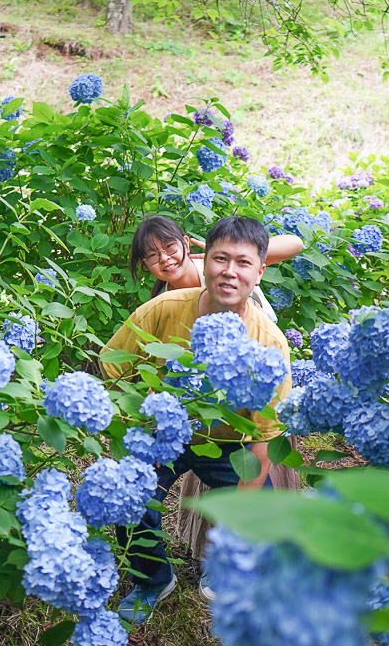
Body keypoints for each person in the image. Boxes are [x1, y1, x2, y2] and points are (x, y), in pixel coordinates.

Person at [101, 215, 294, 625]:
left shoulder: (269, 345)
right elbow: (113, 364)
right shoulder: (163, 309)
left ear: (260, 271)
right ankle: (152, 580)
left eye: (243, 263)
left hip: (230, 444)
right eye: (221, 259)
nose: (229, 271)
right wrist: (142, 420)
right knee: (128, 496)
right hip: (163, 435)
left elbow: (262, 437)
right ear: (205, 261)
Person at [128, 214, 303, 323]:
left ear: (186, 244)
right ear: (144, 265)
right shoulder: (162, 303)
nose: (165, 258)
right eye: (152, 255)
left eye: (170, 247)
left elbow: (295, 244)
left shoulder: (224, 269)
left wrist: (227, 255)